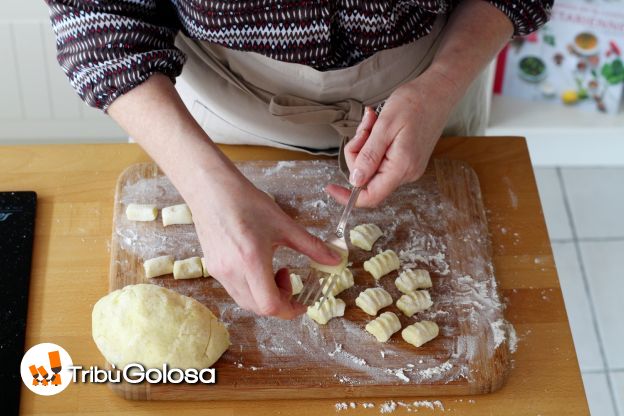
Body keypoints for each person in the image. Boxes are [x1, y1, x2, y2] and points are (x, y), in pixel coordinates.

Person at [47, 0, 551, 319]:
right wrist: (203, 187)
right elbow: (98, 19)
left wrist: (442, 84)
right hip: (216, 107)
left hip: (438, 72)